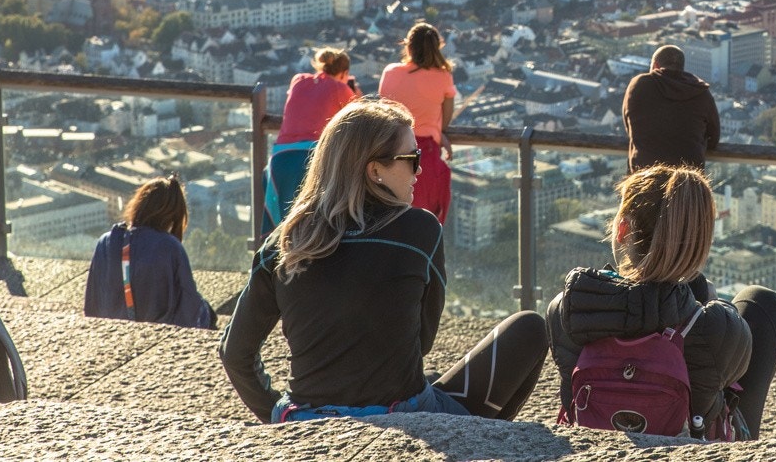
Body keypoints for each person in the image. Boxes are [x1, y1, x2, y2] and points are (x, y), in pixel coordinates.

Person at [220, 99, 548, 423]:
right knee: (530, 328)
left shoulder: (284, 242)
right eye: (411, 157)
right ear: (375, 170)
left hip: (306, 414)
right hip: (402, 413)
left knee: (430, 376)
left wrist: (280, 414)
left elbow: (235, 353)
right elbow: (419, 342)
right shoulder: (419, 230)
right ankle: (482, 441)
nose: (419, 168)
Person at [547, 165, 776, 439]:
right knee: (761, 302)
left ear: (622, 230)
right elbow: (729, 378)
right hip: (690, 445)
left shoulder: (566, 310)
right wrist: (705, 302)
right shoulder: (718, 328)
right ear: (699, 242)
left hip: (593, 438)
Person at [85, 175, 215, 329]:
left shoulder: (106, 242)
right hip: (156, 331)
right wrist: (209, 315)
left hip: (110, 331)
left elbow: (92, 302)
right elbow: (189, 305)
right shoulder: (169, 246)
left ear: (139, 205)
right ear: (172, 216)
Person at [263, 47, 359, 231]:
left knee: (279, 228)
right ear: (345, 73)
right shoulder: (342, 89)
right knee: (308, 226)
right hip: (311, 159)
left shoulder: (298, 80)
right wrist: (353, 92)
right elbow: (358, 119)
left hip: (279, 158)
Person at [378, 23, 458, 223]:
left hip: (389, 149)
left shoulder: (390, 71)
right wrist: (441, 133)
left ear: (408, 46)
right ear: (436, 47)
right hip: (424, 154)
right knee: (424, 224)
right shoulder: (443, 76)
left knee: (390, 220)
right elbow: (446, 114)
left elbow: (383, 109)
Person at [622, 44, 721, 175]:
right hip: (687, 181)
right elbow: (714, 138)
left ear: (656, 66)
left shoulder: (639, 85)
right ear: (681, 68)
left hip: (644, 176)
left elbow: (630, 127)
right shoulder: (701, 92)